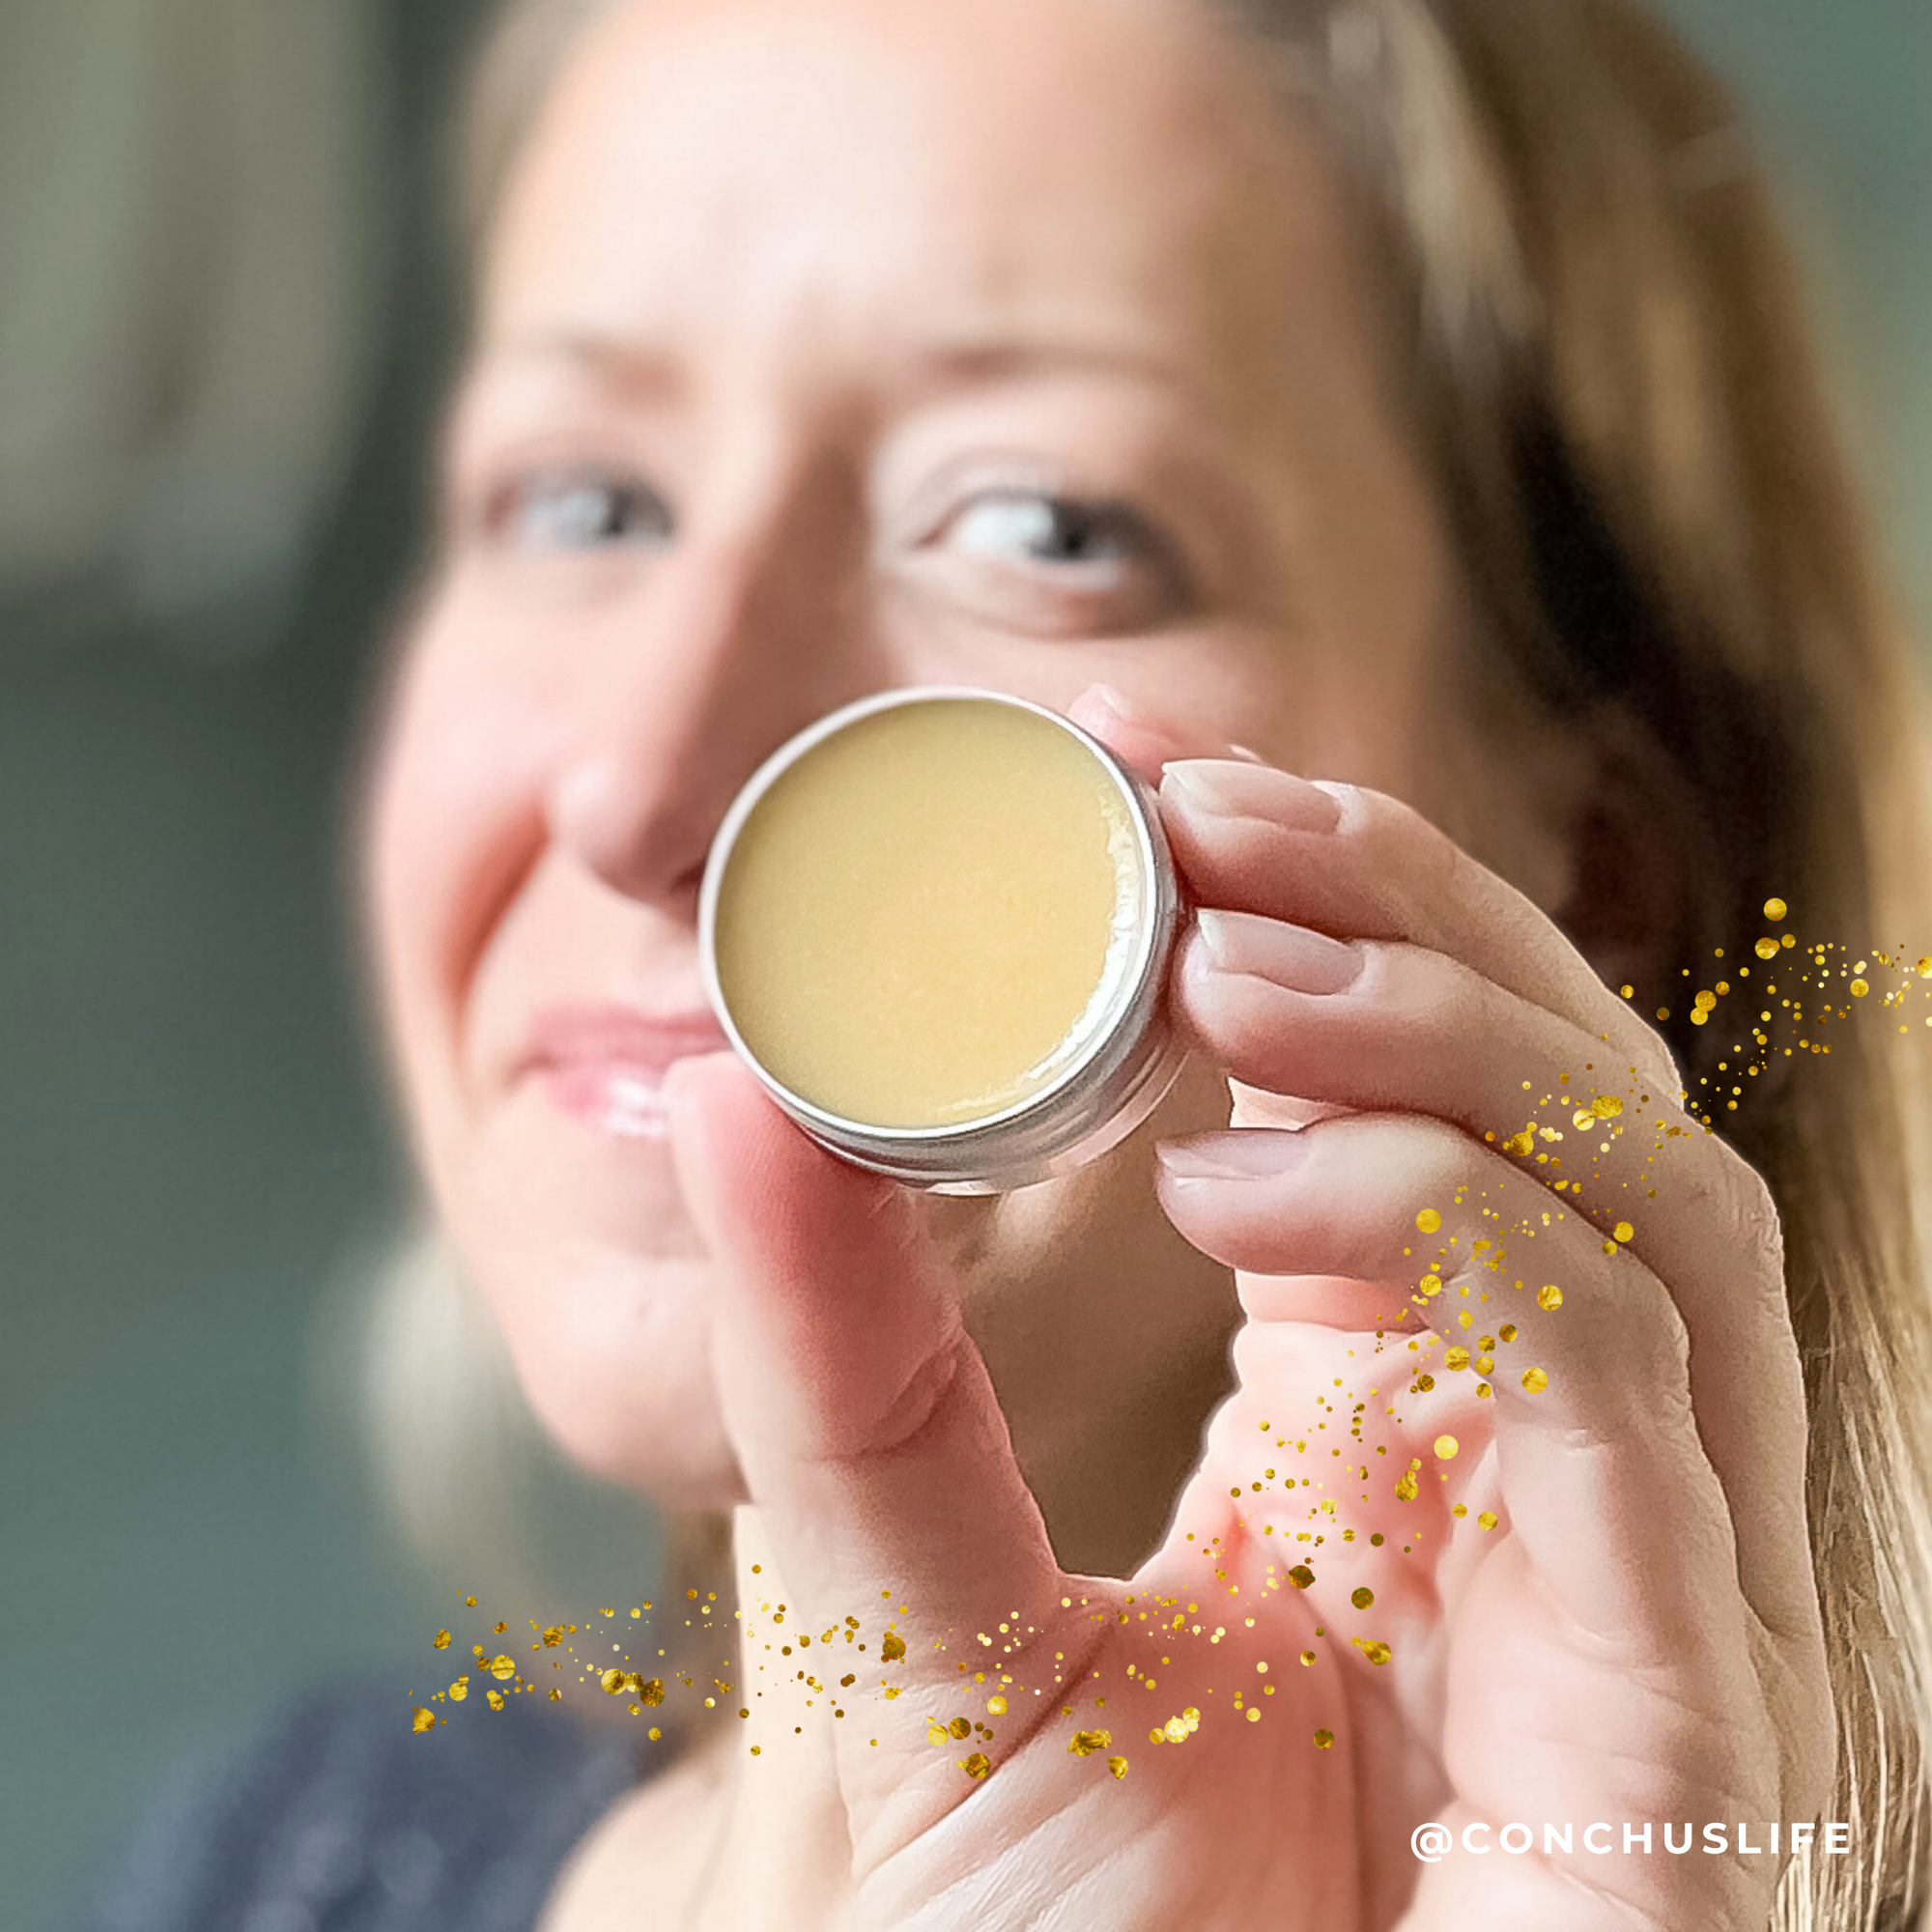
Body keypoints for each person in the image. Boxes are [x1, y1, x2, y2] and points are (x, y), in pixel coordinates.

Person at [85, 0, 1932, 1926]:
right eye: (586, 501)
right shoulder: (283, 1862)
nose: (641, 782)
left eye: (1042, 525)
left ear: (1600, 877)